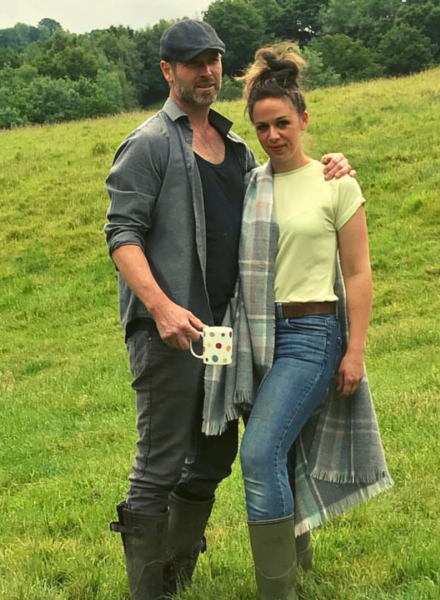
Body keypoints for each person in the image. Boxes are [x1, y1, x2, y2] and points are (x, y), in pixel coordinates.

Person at [104, 21, 354, 600]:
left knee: (215, 451)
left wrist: (333, 165)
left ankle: (177, 573)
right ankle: (149, 591)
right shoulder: (148, 144)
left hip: (225, 333)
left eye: (213, 60)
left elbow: (286, 188)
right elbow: (121, 235)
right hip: (168, 332)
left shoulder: (237, 149)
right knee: (160, 461)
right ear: (168, 72)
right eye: (193, 63)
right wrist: (161, 307)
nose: (207, 71)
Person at [204, 43, 393, 600]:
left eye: (283, 123)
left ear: (304, 120)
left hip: (314, 337)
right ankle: (298, 564)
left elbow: (357, 275)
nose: (273, 136)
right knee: (280, 451)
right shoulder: (250, 184)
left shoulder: (337, 182)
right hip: (258, 333)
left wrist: (354, 350)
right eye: (262, 127)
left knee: (259, 452)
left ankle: (276, 593)